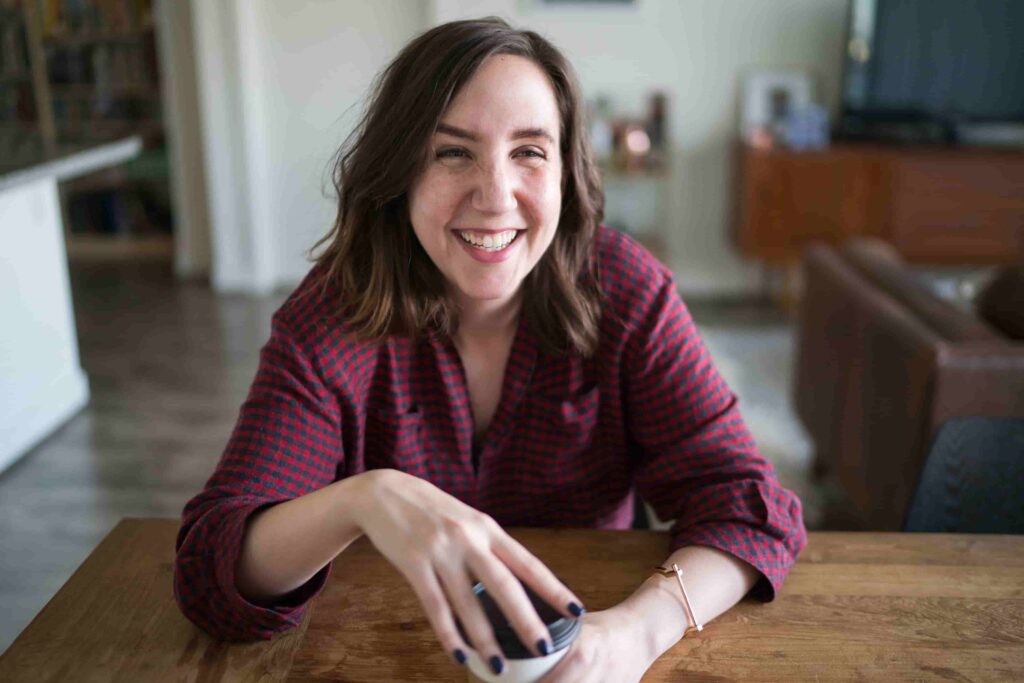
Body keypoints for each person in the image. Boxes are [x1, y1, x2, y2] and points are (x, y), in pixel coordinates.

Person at [174, 17, 806, 681]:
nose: (495, 195)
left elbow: (749, 504)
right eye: (453, 153)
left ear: (566, 171)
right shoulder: (333, 312)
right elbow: (210, 570)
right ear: (401, 170)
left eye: (529, 151)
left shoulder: (626, 289)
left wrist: (635, 632)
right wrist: (362, 499)